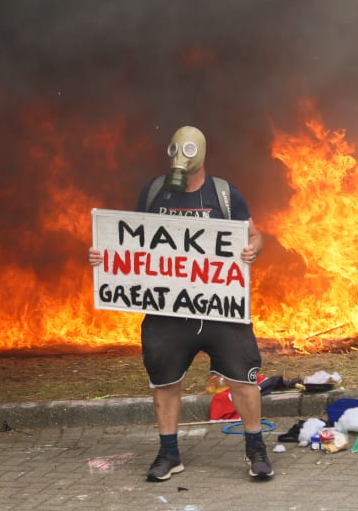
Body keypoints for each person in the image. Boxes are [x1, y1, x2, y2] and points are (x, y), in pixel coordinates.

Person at [88, 125, 272, 482]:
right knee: (164, 382)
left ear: (200, 155)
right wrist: (104, 256)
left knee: (243, 379)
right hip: (168, 312)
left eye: (188, 153)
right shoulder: (155, 192)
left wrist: (254, 248)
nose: (181, 161)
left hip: (220, 309)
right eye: (176, 152)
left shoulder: (224, 194)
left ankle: (256, 448)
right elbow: (131, 240)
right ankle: (169, 452)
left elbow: (254, 234)